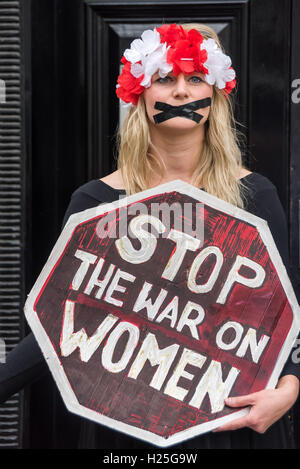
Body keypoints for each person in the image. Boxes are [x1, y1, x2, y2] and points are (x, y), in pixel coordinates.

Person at [0, 22, 299, 449]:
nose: (180, 92)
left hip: (234, 423)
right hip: (130, 427)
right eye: (165, 79)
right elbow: (61, 321)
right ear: (140, 94)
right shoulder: (98, 200)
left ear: (213, 98)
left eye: (195, 78)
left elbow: (286, 310)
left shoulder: (254, 196)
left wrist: (289, 389)